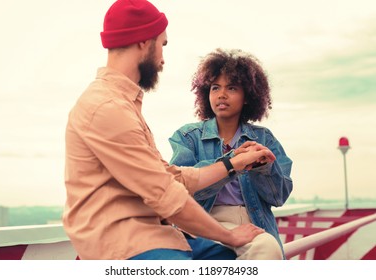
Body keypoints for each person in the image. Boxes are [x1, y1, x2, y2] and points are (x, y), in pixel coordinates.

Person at [62, 0, 277, 260]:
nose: (162, 60)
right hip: (124, 246)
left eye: (232, 88)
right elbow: (167, 195)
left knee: (237, 257)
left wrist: (233, 163)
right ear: (144, 41)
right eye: (162, 45)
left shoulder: (123, 104)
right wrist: (229, 236)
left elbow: (173, 177)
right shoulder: (107, 107)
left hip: (155, 236)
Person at [168, 48, 293, 260]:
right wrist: (231, 162)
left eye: (232, 88)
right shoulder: (187, 137)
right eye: (215, 88)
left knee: (266, 247)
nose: (221, 94)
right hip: (207, 220)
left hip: (254, 222)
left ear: (248, 97)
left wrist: (263, 168)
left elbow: (278, 197)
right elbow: (180, 190)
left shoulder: (265, 139)